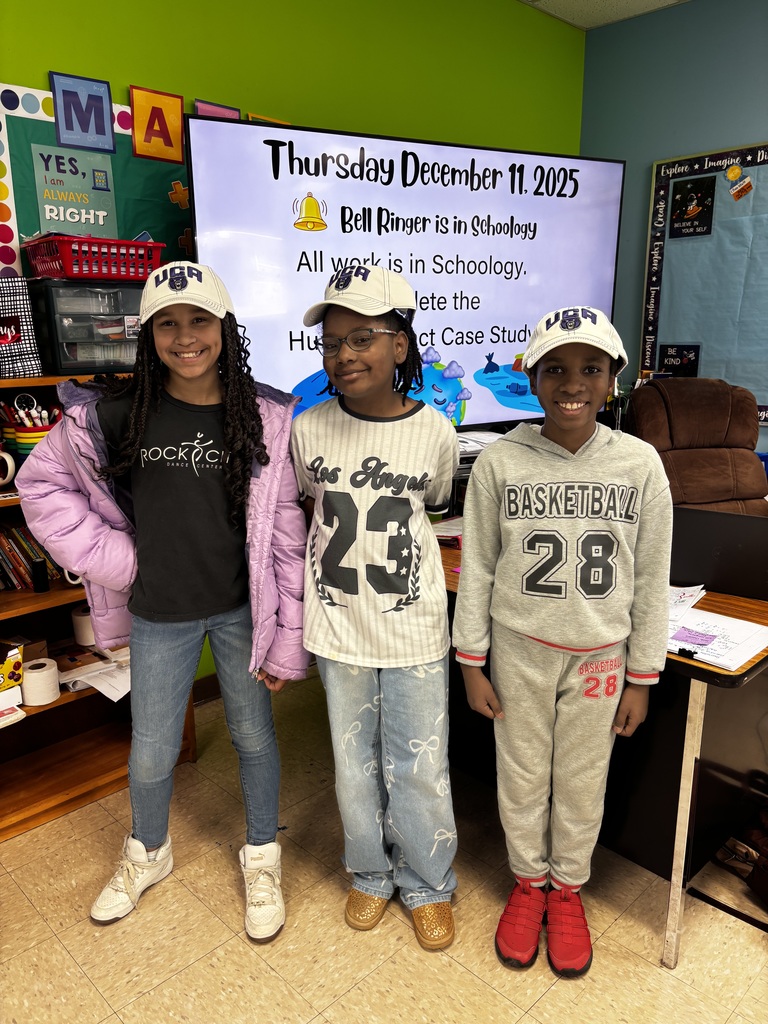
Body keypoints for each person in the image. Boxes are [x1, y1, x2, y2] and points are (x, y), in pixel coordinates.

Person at [16, 261, 308, 941]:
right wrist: (123, 563)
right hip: (158, 614)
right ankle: (148, 852)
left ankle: (262, 854)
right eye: (167, 323)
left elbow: (289, 540)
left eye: (199, 319)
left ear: (225, 327)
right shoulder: (113, 415)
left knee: (254, 737)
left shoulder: (265, 414)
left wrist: (287, 636)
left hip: (243, 612)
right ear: (147, 335)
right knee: (149, 751)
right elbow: (42, 487)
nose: (185, 336)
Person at [453, 306, 672, 977]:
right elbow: (480, 565)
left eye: (589, 368)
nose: (571, 382)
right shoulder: (501, 461)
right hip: (519, 652)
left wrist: (643, 674)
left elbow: (652, 577)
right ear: (532, 375)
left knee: (581, 782)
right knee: (520, 777)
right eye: (555, 368)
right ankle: (527, 883)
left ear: (612, 380)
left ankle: (566, 889)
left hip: (600, 657)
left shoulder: (639, 465)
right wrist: (471, 664)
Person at [290, 265, 460, 950]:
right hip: (338, 627)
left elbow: (437, 505)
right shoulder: (309, 430)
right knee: (351, 763)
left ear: (400, 344)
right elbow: (310, 509)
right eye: (331, 343)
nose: (344, 355)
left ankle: (426, 882)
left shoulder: (436, 433)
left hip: (414, 629)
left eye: (362, 337)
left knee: (419, 762)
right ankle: (368, 873)